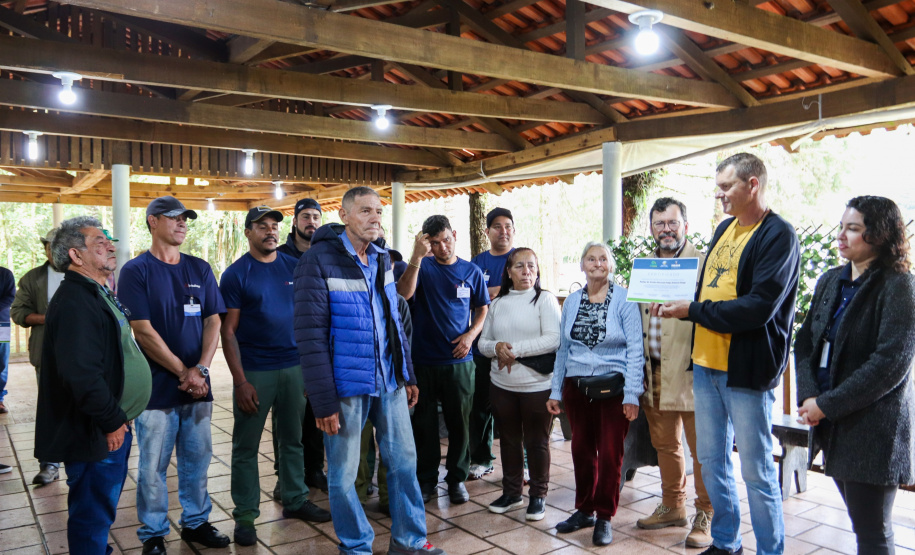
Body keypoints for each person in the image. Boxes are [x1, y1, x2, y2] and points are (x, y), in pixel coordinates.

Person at [658, 153, 800, 555]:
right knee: (711, 462)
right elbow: (709, 289)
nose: (719, 195)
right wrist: (673, 299)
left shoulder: (778, 235)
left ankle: (770, 550)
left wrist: (693, 310)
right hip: (705, 367)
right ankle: (725, 542)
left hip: (745, 371)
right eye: (718, 187)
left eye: (726, 187)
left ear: (753, 185)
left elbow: (758, 307)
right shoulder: (724, 228)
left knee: (756, 471)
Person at [294, 186, 445, 555]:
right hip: (346, 386)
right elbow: (310, 336)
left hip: (389, 380)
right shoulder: (317, 261)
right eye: (365, 211)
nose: (375, 217)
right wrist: (323, 400)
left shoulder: (381, 257)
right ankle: (356, 546)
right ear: (344, 216)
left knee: (404, 464)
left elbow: (395, 320)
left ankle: (409, 541)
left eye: (378, 210)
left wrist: (407, 374)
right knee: (344, 475)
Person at [795, 196, 915, 555]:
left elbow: (889, 366)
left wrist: (826, 405)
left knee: (872, 532)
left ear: (879, 234)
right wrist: (809, 396)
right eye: (841, 226)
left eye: (853, 228)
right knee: (863, 524)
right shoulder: (831, 280)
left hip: (873, 429)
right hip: (834, 423)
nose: (841, 235)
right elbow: (805, 342)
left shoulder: (899, 286)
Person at [118, 196, 230, 554]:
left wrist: (202, 370)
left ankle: (196, 522)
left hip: (198, 387)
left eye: (185, 219)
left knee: (197, 460)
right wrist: (185, 372)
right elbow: (142, 330)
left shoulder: (199, 268)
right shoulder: (136, 271)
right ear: (153, 221)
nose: (182, 223)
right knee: (153, 465)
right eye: (173, 218)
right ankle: (153, 533)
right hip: (157, 388)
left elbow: (214, 320)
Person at [35, 217, 152, 554]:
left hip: (109, 423)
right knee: (91, 512)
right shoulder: (75, 301)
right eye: (99, 243)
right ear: (76, 255)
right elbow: (81, 374)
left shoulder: (95, 291)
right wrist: (112, 420)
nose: (110, 247)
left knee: (100, 508)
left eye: (108, 241)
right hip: (95, 430)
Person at [220, 206, 332, 546]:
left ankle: (295, 499)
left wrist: (311, 370)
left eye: (273, 226)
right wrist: (240, 381)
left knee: (292, 439)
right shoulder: (236, 274)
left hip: (294, 367)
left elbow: (310, 319)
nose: (270, 231)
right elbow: (228, 331)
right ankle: (245, 516)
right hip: (256, 371)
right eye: (262, 226)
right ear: (248, 232)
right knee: (246, 446)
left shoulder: (293, 266)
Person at [547, 242, 643, 546]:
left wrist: (632, 394)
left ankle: (604, 516)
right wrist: (555, 390)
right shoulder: (572, 301)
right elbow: (563, 348)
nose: (597, 263)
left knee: (611, 453)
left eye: (603, 258)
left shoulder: (625, 299)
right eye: (591, 258)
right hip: (576, 388)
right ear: (582, 265)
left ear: (610, 265)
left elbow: (635, 349)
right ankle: (584, 510)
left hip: (614, 388)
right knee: (581, 450)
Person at [635, 198, 713, 548]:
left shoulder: (704, 265)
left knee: (703, 451)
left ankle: (706, 512)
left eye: (672, 222)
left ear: (686, 225)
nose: (666, 229)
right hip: (653, 372)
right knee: (665, 445)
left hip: (693, 372)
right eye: (659, 224)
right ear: (651, 228)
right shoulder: (645, 267)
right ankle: (673, 505)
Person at [398, 215, 490, 505]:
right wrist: (416, 256)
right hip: (424, 360)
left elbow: (483, 308)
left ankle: (456, 479)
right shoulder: (421, 267)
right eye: (435, 243)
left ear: (455, 234)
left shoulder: (471, 271)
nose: (442, 247)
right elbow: (403, 294)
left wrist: (470, 336)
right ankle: (427, 479)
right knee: (424, 424)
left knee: (460, 424)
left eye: (446, 240)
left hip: (459, 362)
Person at [478, 248, 560, 521]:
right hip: (501, 385)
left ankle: (538, 496)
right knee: (509, 441)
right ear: (509, 272)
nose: (527, 271)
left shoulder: (544, 299)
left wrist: (513, 351)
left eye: (532, 266)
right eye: (520, 266)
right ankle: (512, 493)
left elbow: (553, 339)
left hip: (537, 387)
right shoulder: (498, 303)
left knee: (537, 443)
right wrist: (497, 347)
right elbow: (483, 343)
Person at [274, 197, 329, 496]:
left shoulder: (326, 253)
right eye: (306, 216)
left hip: (320, 345)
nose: (312, 222)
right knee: (288, 418)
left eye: (316, 217)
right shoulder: (279, 256)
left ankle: (315, 469)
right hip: (288, 347)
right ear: (295, 221)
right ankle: (285, 474)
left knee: (316, 410)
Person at [11, 228, 65, 486]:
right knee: (51, 408)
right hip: (47, 354)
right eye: (48, 247)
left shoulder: (86, 273)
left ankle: (85, 459)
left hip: (85, 354)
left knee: (85, 404)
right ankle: (50, 463)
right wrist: (48, 318)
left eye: (56, 247)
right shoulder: (33, 279)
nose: (51, 252)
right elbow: (18, 312)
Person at [468, 207, 515, 480]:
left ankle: (522, 462)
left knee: (515, 407)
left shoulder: (521, 258)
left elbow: (527, 291)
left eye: (508, 226)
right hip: (482, 344)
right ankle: (481, 458)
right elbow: (470, 298)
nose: (503, 231)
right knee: (480, 406)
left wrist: (490, 293)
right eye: (497, 226)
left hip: (514, 345)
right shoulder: (478, 262)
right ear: (487, 231)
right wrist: (498, 292)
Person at [0, 264, 14, 414]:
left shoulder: (5, 274)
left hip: (1, 325)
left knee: (1, 362)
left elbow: (10, 297)